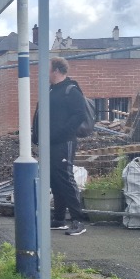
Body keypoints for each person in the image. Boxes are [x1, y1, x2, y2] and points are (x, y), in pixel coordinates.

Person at [32, 57, 88, 236]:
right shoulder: (50, 90)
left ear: (56, 70)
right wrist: (37, 136)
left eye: (46, 68)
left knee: (65, 178)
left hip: (64, 142)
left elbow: (79, 115)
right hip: (49, 142)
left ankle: (78, 220)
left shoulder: (71, 90)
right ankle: (59, 219)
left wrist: (61, 133)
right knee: (54, 179)